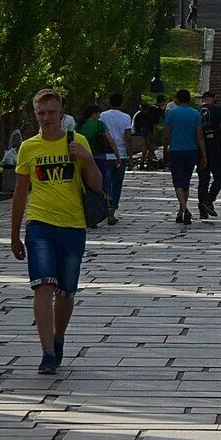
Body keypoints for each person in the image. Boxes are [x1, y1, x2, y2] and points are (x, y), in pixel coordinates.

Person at [8, 88, 104, 375]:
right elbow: (20, 193)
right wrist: (14, 234)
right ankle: (47, 351)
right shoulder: (29, 147)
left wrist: (86, 158)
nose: (46, 118)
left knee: (66, 292)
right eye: (41, 113)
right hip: (40, 225)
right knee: (43, 285)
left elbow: (97, 186)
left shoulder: (78, 141)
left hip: (73, 225)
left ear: (61, 112)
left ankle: (58, 337)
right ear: (35, 114)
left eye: (51, 112)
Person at [164, 89, 207, 225]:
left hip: (176, 150)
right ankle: (180, 212)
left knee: (177, 181)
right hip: (191, 151)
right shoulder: (195, 114)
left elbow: (167, 135)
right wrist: (204, 155)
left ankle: (184, 209)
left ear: (177, 99)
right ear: (189, 99)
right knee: (186, 182)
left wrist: (165, 150)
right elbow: (199, 136)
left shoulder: (171, 113)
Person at [76, 102, 115, 226]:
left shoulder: (79, 126)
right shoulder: (100, 125)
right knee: (100, 186)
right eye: (98, 114)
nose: (99, 116)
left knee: (86, 186)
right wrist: (117, 155)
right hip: (99, 158)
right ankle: (104, 210)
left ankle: (87, 212)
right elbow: (110, 140)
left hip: (82, 159)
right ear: (94, 114)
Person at [98, 93, 135, 224]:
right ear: (121, 103)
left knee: (106, 182)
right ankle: (112, 209)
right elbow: (128, 137)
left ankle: (107, 205)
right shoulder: (126, 117)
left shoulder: (102, 116)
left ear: (109, 101)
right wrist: (130, 156)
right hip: (121, 153)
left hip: (105, 155)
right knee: (117, 184)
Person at [198, 90, 221, 218]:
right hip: (214, 149)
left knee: (203, 180)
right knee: (220, 175)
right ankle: (209, 200)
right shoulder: (217, 110)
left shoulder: (197, 111)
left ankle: (202, 209)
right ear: (213, 98)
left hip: (200, 149)